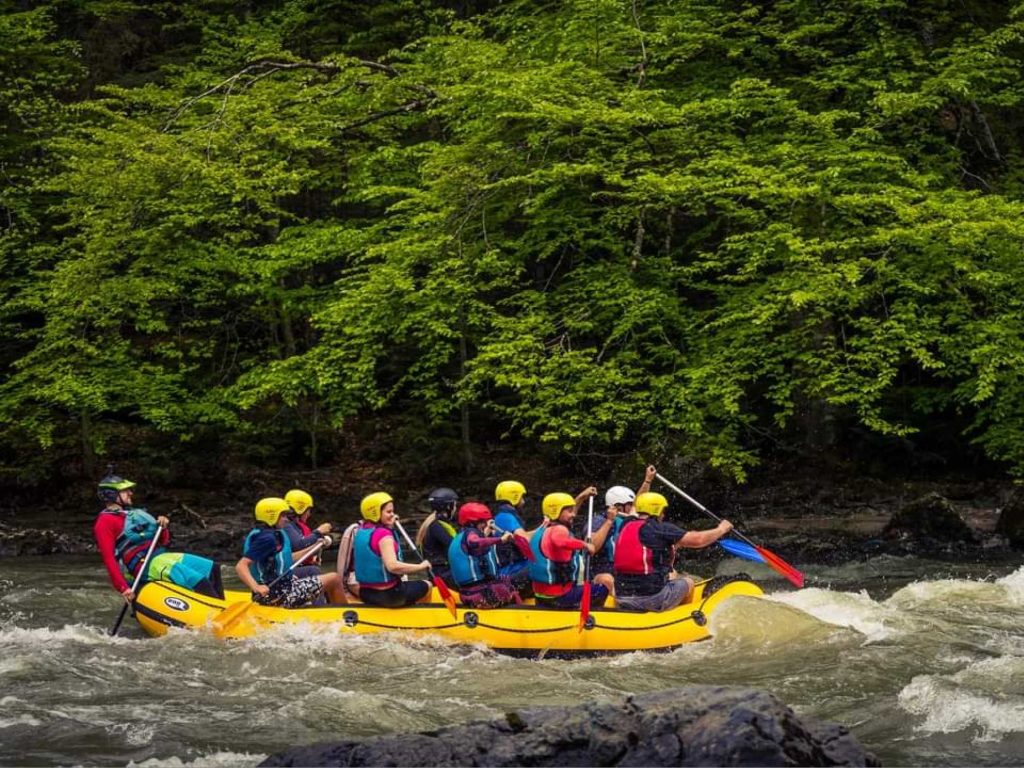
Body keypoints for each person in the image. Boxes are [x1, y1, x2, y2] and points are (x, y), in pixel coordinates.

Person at [93, 473, 224, 602]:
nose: (130, 493)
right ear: (112, 495)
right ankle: (216, 613)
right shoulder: (104, 522)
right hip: (145, 565)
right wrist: (123, 588)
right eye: (125, 491)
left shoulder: (133, 515)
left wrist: (163, 526)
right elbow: (109, 559)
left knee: (212, 568)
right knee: (197, 579)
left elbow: (163, 541)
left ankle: (222, 603)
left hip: (160, 556)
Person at [613, 492, 733, 612]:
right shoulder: (660, 528)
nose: (664, 514)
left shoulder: (626, 524)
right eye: (663, 510)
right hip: (650, 599)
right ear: (657, 510)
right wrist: (721, 529)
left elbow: (636, 512)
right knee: (688, 581)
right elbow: (698, 540)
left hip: (622, 597)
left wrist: (648, 480)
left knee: (672, 574)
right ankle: (683, 615)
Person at [235, 497, 347, 607]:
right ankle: (346, 617)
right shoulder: (267, 539)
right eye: (283, 515)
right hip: (279, 596)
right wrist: (256, 587)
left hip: (283, 588)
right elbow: (241, 566)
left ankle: (323, 607)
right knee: (334, 579)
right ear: (271, 516)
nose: (287, 519)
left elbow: (287, 558)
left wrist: (315, 547)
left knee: (314, 573)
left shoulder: (268, 533)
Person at [529, 490, 615, 609]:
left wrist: (582, 497)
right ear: (556, 512)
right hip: (559, 597)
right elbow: (560, 541)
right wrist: (584, 545)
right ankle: (590, 620)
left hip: (541, 596)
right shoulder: (559, 529)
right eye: (569, 511)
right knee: (601, 589)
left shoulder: (541, 531)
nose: (573, 515)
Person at [580, 465, 657, 595]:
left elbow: (639, 503)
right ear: (618, 506)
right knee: (608, 579)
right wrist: (609, 521)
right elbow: (592, 546)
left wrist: (647, 481)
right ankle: (621, 605)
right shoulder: (598, 521)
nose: (633, 508)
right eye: (629, 505)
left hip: (622, 571)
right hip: (600, 572)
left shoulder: (628, 521)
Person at [351, 491, 432, 607]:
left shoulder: (361, 531)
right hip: (389, 595)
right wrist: (421, 566)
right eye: (388, 512)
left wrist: (389, 525)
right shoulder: (383, 536)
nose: (393, 515)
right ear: (375, 513)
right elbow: (393, 566)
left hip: (365, 593)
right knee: (427, 585)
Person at [447, 502, 522, 608]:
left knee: (504, 580)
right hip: (479, 595)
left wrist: (488, 531)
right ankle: (521, 618)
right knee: (511, 590)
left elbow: (478, 542)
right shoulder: (470, 536)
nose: (486, 524)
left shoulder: (462, 535)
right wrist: (501, 539)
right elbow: (474, 542)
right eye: (483, 522)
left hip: (469, 593)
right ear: (473, 523)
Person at [283, 489, 334, 605]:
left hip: (289, 567)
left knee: (314, 569)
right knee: (313, 570)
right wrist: (318, 532)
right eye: (308, 510)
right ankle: (319, 607)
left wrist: (312, 558)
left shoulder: (294, 526)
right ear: (300, 509)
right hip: (284, 572)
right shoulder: (286, 526)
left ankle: (327, 601)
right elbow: (299, 545)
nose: (309, 514)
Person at [492, 480, 534, 592]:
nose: (523, 501)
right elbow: (526, 540)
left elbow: (524, 536)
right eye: (521, 497)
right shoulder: (505, 517)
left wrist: (545, 528)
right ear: (514, 497)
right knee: (544, 566)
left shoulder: (502, 515)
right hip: (509, 573)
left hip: (514, 569)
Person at [415, 487, 459, 581]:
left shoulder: (436, 523)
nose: (455, 508)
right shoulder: (436, 526)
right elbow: (455, 547)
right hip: (443, 574)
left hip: (441, 571)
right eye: (454, 505)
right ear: (448, 507)